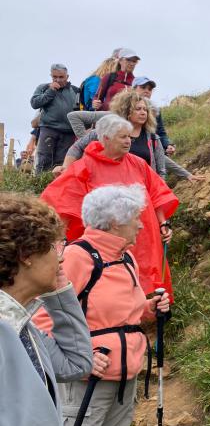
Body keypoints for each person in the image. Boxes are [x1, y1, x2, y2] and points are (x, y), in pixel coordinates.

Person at [35, 185, 170, 426]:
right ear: (115, 222)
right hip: (88, 378)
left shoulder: (125, 257)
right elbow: (41, 319)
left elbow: (124, 314)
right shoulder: (77, 256)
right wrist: (80, 356)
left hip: (126, 374)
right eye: (135, 217)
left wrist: (150, 308)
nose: (140, 224)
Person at [0, 193, 93, 426]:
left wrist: (60, 293)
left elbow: (76, 363)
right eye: (55, 247)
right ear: (26, 255)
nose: (61, 259)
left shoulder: (21, 325)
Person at [40, 114, 179, 298]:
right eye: (123, 137)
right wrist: (59, 240)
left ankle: (151, 316)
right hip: (107, 242)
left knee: (149, 282)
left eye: (130, 137)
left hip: (145, 236)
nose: (129, 141)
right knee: (113, 285)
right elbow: (62, 201)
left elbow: (157, 193)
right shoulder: (85, 166)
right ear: (106, 138)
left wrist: (163, 223)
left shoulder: (138, 164)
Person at [58, 90, 200, 181]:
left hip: (143, 194)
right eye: (138, 109)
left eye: (145, 110)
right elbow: (77, 147)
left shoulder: (152, 138)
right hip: (107, 189)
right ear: (127, 110)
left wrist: (187, 175)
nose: (143, 112)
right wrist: (66, 169)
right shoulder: (109, 130)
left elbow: (161, 163)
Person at [30, 63, 80, 173]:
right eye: (54, 77)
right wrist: (50, 91)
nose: (57, 80)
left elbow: (80, 110)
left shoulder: (76, 91)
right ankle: (40, 185)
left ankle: (56, 186)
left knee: (61, 161)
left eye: (61, 77)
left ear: (67, 77)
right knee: (44, 158)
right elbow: (34, 103)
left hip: (68, 131)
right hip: (48, 128)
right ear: (51, 76)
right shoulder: (43, 88)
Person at [132, 76, 174, 154]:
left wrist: (168, 145)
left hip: (152, 150)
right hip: (131, 149)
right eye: (143, 87)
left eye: (150, 89)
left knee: (176, 167)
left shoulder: (155, 110)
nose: (146, 91)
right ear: (133, 89)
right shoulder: (126, 107)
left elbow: (161, 132)